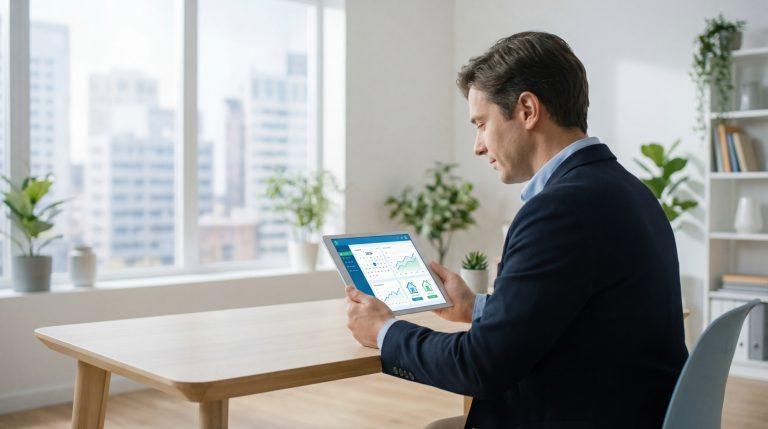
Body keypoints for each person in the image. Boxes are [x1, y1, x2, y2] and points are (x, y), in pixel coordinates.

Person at [344, 31, 688, 429]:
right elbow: (577, 313)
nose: (478, 146)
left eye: (481, 124)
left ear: (526, 110)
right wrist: (475, 307)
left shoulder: (559, 210)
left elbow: (480, 366)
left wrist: (384, 331)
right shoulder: (629, 191)